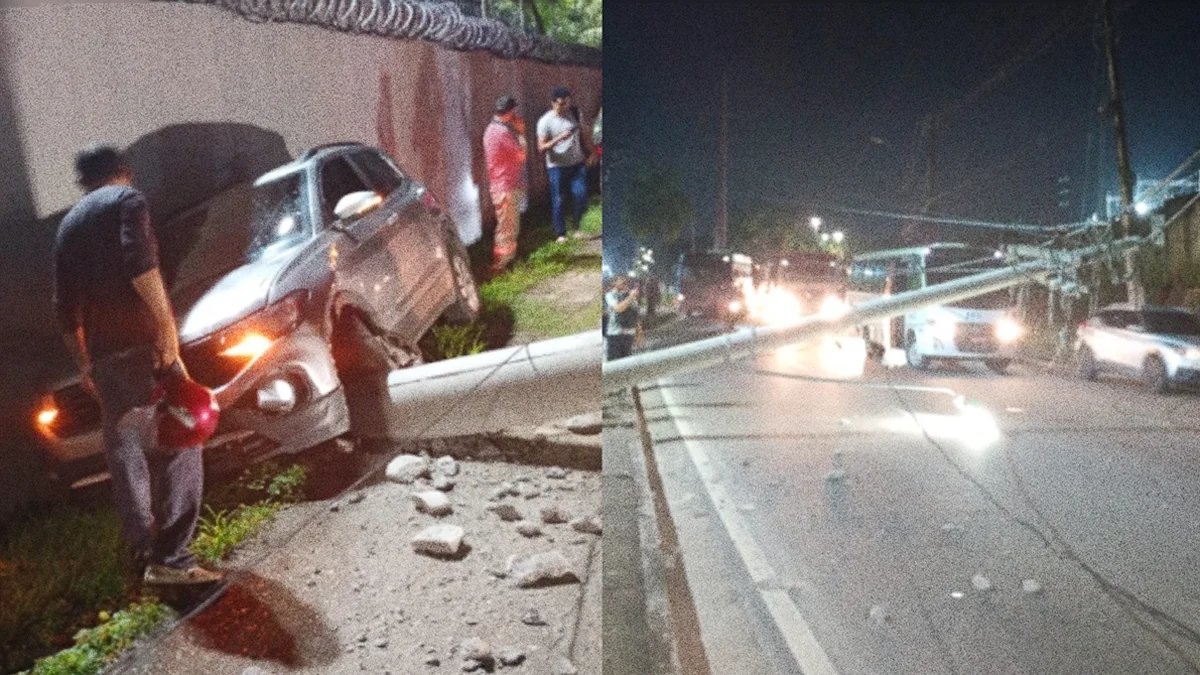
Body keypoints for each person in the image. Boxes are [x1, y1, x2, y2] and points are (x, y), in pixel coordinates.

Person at [52, 145, 222, 586]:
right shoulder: (128, 201)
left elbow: (65, 310)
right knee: (183, 434)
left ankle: (146, 551)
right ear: (122, 173)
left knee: (125, 448)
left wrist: (86, 365)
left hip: (106, 355)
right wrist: (165, 326)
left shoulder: (67, 227)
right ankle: (175, 559)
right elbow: (139, 264)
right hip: (143, 344)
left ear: (84, 182)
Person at [537, 86, 590, 243]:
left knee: (580, 194)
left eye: (567, 103)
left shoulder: (574, 113)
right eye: (561, 104)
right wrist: (559, 138)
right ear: (553, 103)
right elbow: (541, 147)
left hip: (577, 164)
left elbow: (584, 134)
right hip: (556, 166)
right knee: (558, 199)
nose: (565, 106)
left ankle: (577, 228)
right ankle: (561, 233)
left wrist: (592, 152)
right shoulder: (545, 122)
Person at [482, 95, 528, 274]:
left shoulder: (491, 130)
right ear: (510, 112)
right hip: (505, 186)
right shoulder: (502, 132)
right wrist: (521, 132)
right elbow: (521, 155)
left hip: (501, 184)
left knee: (508, 224)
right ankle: (501, 264)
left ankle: (508, 259)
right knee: (507, 226)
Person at [604, 275, 640, 361]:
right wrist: (631, 297)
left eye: (625, 281)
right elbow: (619, 309)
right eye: (621, 280)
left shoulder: (630, 296)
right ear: (614, 283)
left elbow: (635, 314)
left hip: (629, 334)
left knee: (626, 365)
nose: (624, 282)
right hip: (615, 335)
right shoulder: (610, 295)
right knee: (614, 365)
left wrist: (639, 332)